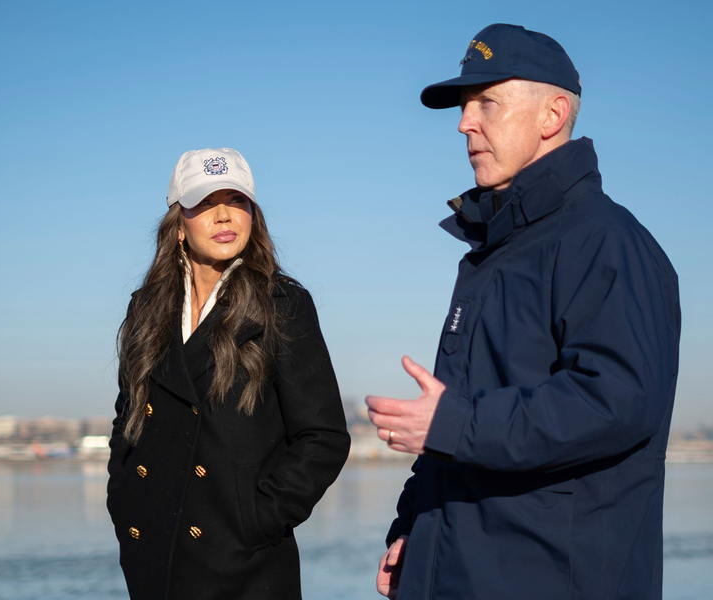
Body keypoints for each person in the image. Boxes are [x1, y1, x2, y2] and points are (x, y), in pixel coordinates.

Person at [366, 24, 681, 600]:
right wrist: (415, 526)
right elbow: (462, 415)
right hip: (461, 572)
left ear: (552, 114)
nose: (465, 123)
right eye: (464, 106)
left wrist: (453, 425)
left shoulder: (606, 242)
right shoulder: (496, 252)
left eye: (487, 101)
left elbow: (617, 400)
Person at [107, 148, 351, 599]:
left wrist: (256, 518)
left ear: (253, 215)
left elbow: (324, 437)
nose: (224, 215)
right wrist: (124, 502)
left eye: (237, 201)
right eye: (205, 202)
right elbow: (128, 424)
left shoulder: (281, 305)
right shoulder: (146, 310)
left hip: (243, 563)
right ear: (179, 224)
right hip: (153, 553)